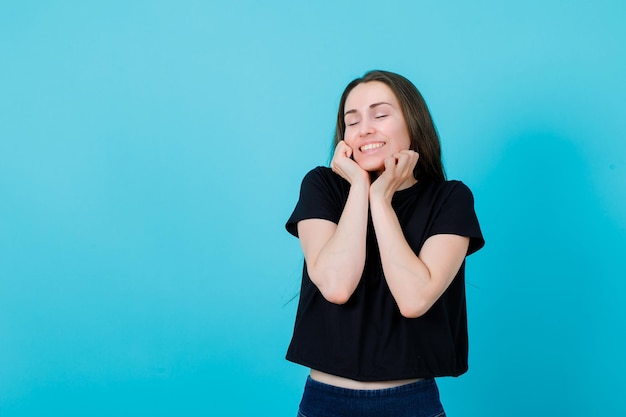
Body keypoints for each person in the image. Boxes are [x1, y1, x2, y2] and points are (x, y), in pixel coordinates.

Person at [285, 70, 484, 417]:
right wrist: (360, 187)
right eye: (352, 120)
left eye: (380, 114)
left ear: (413, 123)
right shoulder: (321, 187)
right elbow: (336, 285)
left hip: (411, 404)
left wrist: (381, 198)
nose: (365, 129)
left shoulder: (450, 199)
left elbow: (414, 298)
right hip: (324, 403)